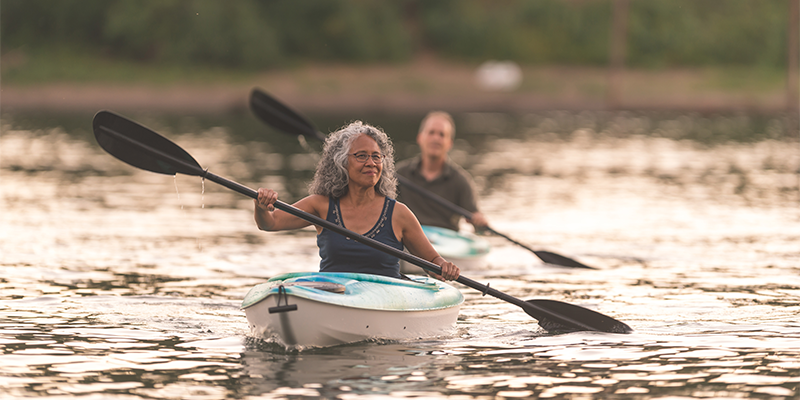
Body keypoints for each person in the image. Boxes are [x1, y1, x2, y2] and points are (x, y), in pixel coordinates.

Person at [254, 121, 460, 282]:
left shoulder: (399, 214)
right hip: (333, 297)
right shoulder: (321, 205)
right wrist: (261, 206)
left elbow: (433, 262)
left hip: (386, 301)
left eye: (376, 157)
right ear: (342, 162)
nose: (371, 163)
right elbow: (269, 223)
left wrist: (444, 267)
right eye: (361, 156)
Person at [396, 111, 488, 233]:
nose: (436, 139)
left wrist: (479, 221)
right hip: (407, 239)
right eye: (431, 132)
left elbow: (478, 225)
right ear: (420, 138)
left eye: (442, 135)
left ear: (449, 143)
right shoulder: (399, 174)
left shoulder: (461, 180)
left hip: (446, 245)